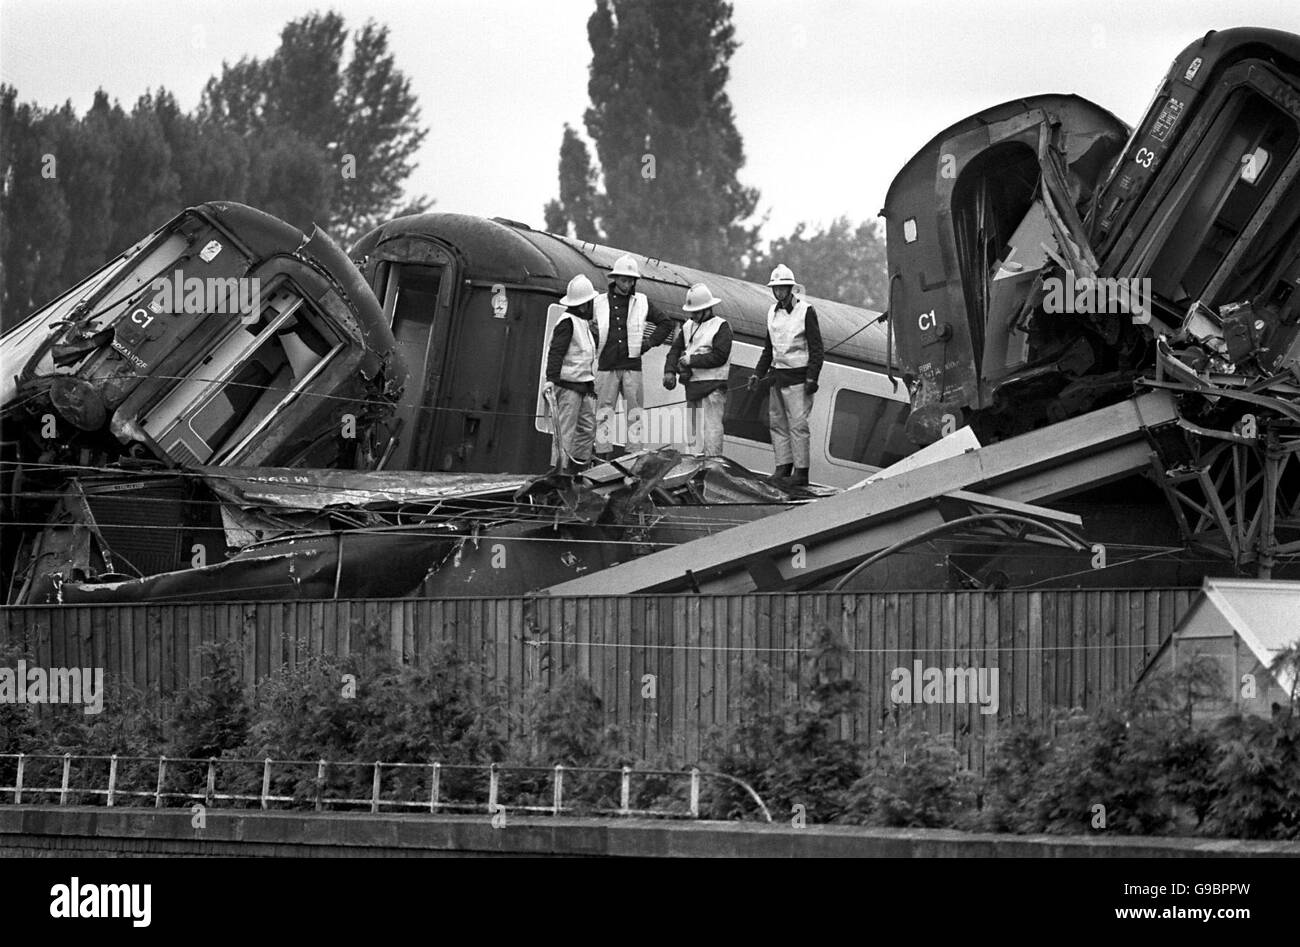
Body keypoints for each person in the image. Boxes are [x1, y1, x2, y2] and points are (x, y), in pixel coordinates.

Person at [749, 264, 824, 487]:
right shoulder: (772, 312)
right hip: (777, 376)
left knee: (798, 425)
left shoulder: (806, 311)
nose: (779, 292)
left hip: (799, 378)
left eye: (783, 288)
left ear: (790, 288)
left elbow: (816, 348)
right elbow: (768, 349)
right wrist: (757, 373)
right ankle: (783, 466)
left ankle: (801, 472)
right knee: (778, 423)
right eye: (776, 288)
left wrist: (813, 377)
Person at [593, 254, 674, 460]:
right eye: (624, 280)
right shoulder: (598, 302)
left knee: (635, 414)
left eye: (631, 280)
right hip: (607, 365)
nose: (628, 284)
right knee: (603, 413)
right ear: (616, 279)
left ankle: (634, 457)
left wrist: (647, 344)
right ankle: (602, 457)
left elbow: (666, 323)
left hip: (632, 366)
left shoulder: (642, 302)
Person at [664, 282, 731, 457]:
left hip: (713, 387)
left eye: (696, 312)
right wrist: (669, 371)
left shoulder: (721, 326)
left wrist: (692, 360)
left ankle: (712, 465)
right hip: (693, 386)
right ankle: (692, 465)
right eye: (692, 312)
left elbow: (720, 356)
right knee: (693, 431)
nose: (693, 315)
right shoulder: (687, 326)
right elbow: (675, 350)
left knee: (711, 430)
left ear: (707, 308)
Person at [543, 274, 601, 477]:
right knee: (565, 433)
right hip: (567, 386)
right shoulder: (567, 323)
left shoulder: (582, 323)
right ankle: (559, 474)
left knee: (586, 429)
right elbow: (556, 352)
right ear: (585, 304)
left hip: (582, 386)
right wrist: (550, 379)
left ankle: (578, 472)